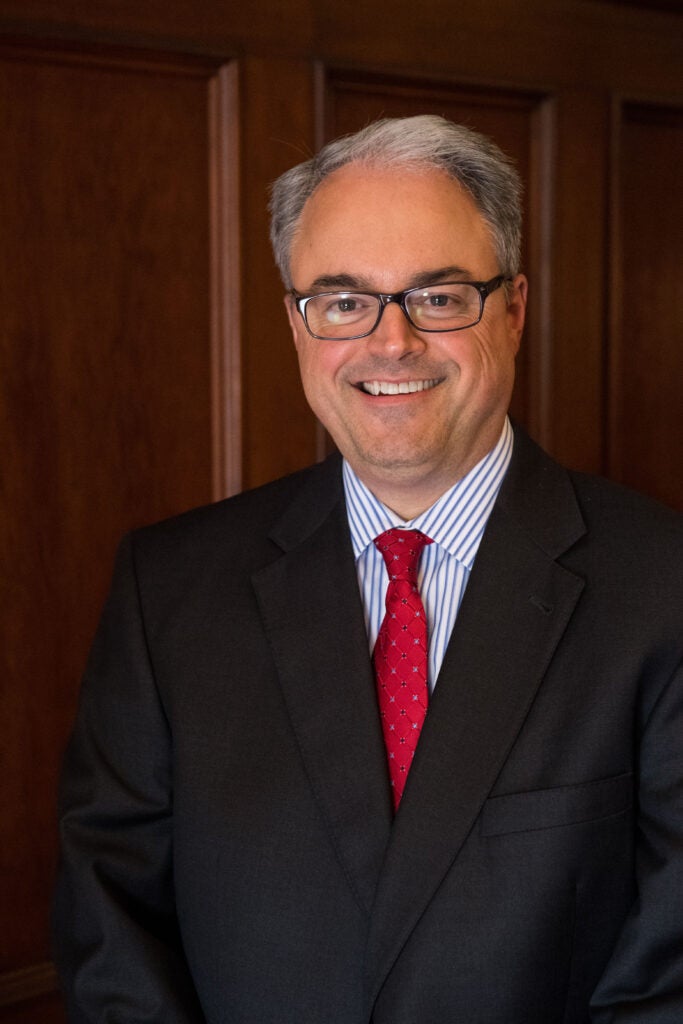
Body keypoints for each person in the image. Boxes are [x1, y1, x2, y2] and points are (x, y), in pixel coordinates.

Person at [53, 115, 683, 1023]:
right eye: (344, 301)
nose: (390, 344)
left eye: (437, 296)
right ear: (297, 324)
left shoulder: (661, 587)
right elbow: (112, 930)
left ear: (512, 308)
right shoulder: (170, 588)